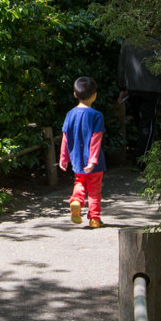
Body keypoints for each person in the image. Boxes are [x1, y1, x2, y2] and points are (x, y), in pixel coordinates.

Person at [60, 76, 105, 229]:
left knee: (79, 182)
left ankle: (76, 201)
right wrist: (93, 160)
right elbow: (96, 139)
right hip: (94, 162)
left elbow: (65, 137)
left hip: (77, 159)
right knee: (94, 190)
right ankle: (94, 218)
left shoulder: (70, 114)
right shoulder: (96, 115)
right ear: (95, 95)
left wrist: (64, 157)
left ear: (75, 94)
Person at [117, 41, 161, 165]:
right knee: (147, 125)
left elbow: (121, 66)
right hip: (151, 89)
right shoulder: (156, 44)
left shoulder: (127, 44)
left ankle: (141, 157)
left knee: (140, 124)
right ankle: (142, 159)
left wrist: (122, 87)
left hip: (133, 88)